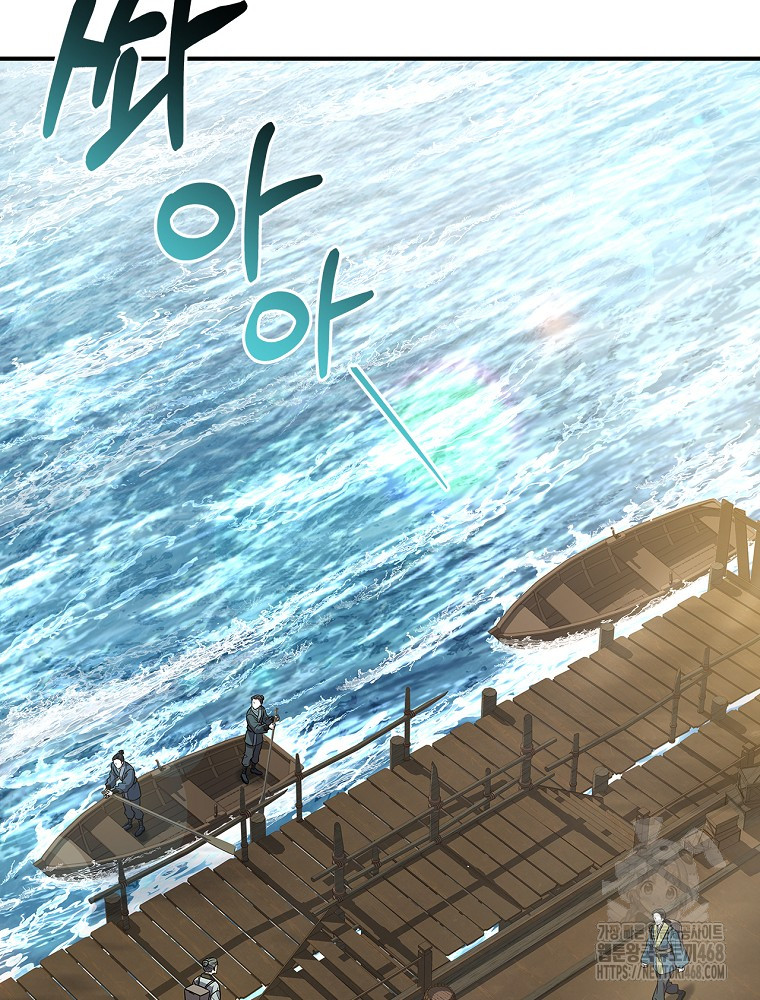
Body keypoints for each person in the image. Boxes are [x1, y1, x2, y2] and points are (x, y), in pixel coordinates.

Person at [641, 909, 688, 1000]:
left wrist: (680, 964)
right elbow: (649, 945)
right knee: (663, 982)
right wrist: (645, 960)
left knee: (661, 983)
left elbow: (677, 947)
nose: (655, 919)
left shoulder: (671, 931)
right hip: (657, 961)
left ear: (662, 918)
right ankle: (676, 991)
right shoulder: (653, 929)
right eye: (654, 917)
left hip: (668, 961)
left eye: (657, 917)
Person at [104, 750, 145, 838]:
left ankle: (141, 826)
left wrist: (114, 791)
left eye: (117, 763)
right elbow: (112, 776)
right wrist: (108, 786)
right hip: (125, 793)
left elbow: (127, 784)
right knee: (127, 809)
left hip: (133, 791)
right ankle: (130, 823)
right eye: (114, 763)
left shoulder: (129, 770)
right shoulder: (114, 766)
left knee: (136, 809)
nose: (115, 765)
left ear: (122, 762)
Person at [241, 694, 275, 784]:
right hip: (251, 738)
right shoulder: (249, 714)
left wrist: (272, 719)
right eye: (252, 702)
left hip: (259, 738)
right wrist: (268, 727)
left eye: (255, 702)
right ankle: (244, 772)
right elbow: (256, 728)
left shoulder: (262, 709)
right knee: (248, 756)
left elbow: (265, 719)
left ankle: (253, 768)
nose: (253, 704)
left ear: (260, 703)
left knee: (256, 755)